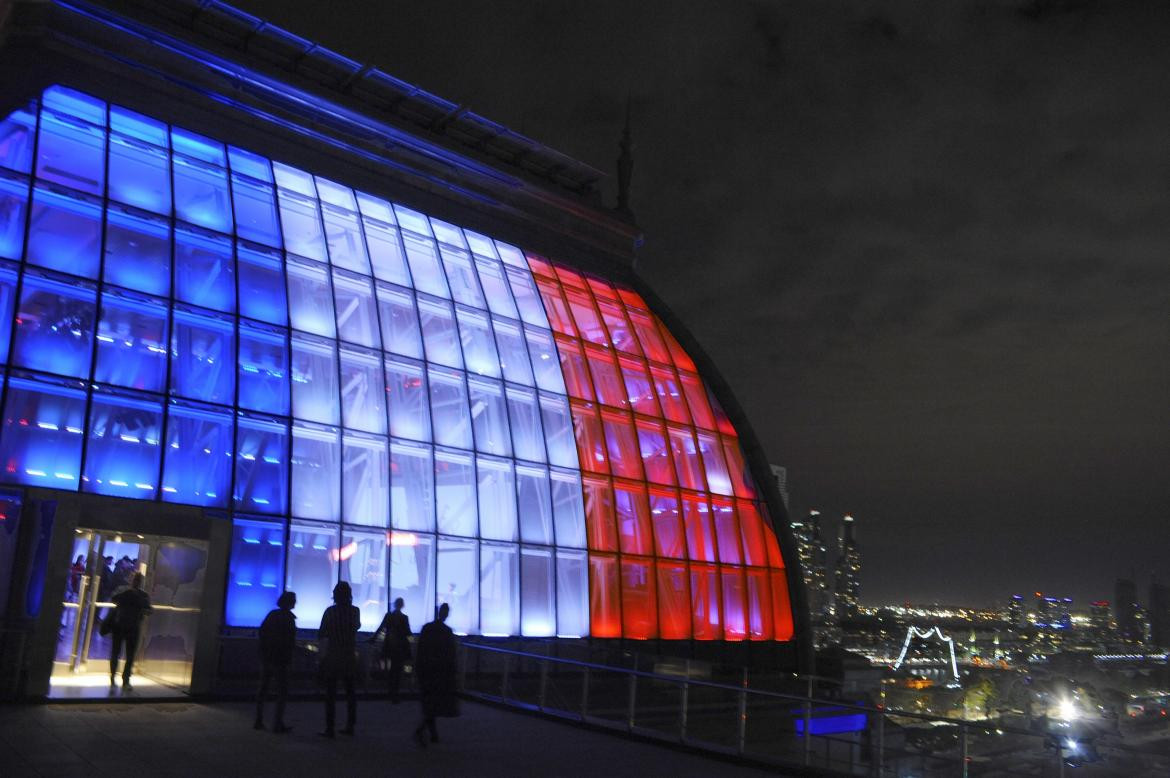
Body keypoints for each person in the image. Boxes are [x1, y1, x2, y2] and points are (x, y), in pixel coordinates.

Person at [318, 581, 360, 737]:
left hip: (333, 656)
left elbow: (322, 633)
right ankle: (350, 725)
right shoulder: (355, 611)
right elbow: (356, 626)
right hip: (349, 656)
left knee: (330, 694)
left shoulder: (330, 612)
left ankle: (330, 727)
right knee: (350, 692)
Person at [413, 603, 458, 747]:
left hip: (428, 670)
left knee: (430, 703)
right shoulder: (447, 631)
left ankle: (432, 733)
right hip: (440, 671)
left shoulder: (428, 628)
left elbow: (420, 650)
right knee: (435, 703)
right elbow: (451, 654)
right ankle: (429, 733)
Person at [255, 591, 297, 733]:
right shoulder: (289, 619)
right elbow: (290, 641)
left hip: (267, 657)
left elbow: (262, 632)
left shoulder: (273, 615)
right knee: (282, 691)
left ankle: (258, 720)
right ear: (291, 603)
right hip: (282, 659)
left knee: (263, 689)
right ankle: (277, 723)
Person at [109, 571, 152, 690]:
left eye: (137, 580)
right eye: (136, 579)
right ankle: (121, 679)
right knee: (127, 655)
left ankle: (119, 679)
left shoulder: (123, 590)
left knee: (121, 654)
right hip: (131, 626)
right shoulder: (141, 594)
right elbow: (148, 610)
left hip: (123, 625)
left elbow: (113, 599)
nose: (136, 582)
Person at [371, 598, 412, 703]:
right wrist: (413, 642)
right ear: (402, 605)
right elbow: (408, 633)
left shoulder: (389, 616)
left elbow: (381, 629)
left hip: (389, 647)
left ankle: (391, 693)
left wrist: (373, 638)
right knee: (397, 671)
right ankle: (395, 694)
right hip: (400, 648)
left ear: (395, 604)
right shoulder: (404, 618)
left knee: (390, 670)